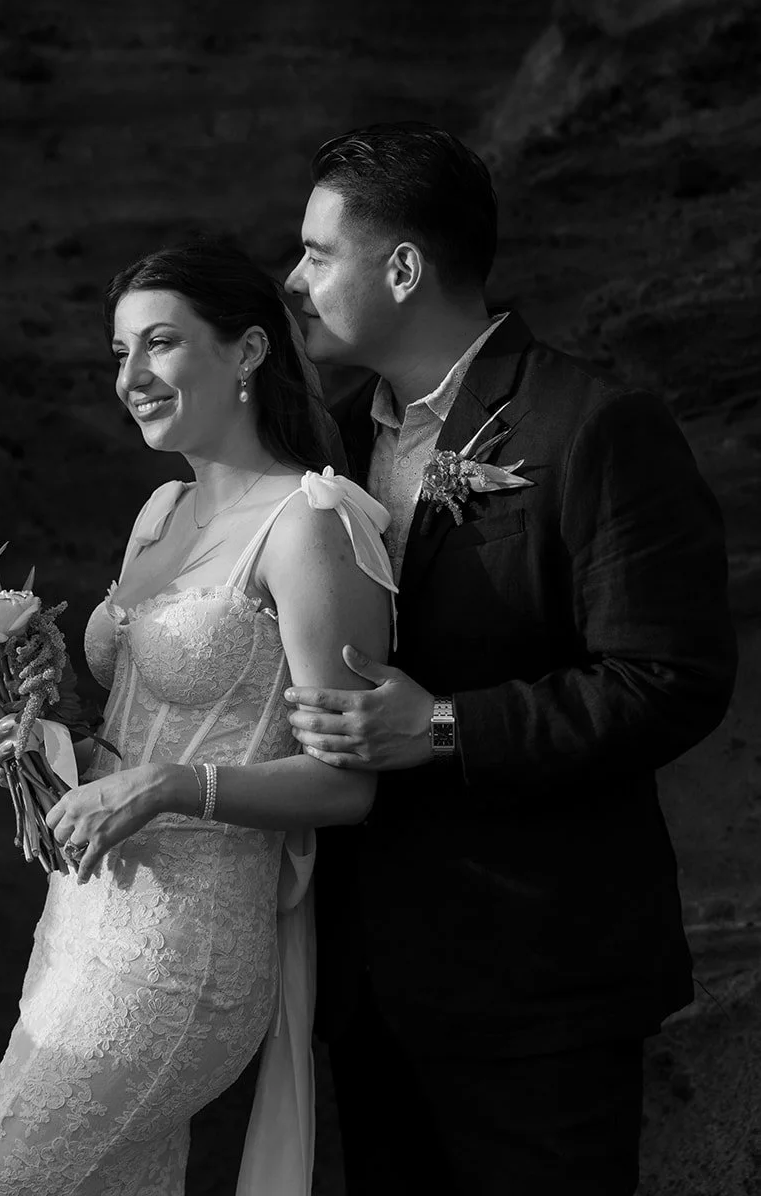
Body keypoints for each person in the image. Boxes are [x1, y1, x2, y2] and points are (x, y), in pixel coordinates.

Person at [283, 121, 738, 1196]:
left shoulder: (589, 426)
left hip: (537, 977)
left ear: (401, 267)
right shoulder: (329, 444)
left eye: (313, 253)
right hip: (367, 984)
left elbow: (667, 678)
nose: (291, 281)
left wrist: (440, 728)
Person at [0, 238, 397, 1196]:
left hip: (187, 953)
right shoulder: (159, 511)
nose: (131, 377)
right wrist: (46, 747)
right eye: (119, 354)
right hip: (83, 920)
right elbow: (127, 738)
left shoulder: (308, 525)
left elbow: (347, 784)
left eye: (161, 345)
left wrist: (171, 783)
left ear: (250, 351)